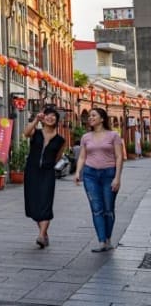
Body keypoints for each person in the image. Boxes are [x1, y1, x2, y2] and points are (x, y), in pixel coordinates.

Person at [74, 107, 124, 253]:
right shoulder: (86, 137)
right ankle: (102, 241)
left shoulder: (113, 135)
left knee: (108, 209)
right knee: (97, 209)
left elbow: (119, 157)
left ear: (102, 119)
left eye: (93, 115)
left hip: (109, 174)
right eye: (89, 116)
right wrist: (78, 172)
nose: (90, 118)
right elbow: (82, 156)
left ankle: (108, 239)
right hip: (90, 175)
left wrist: (117, 177)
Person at [23, 106, 66, 249]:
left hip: (47, 173)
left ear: (57, 120)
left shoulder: (60, 140)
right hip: (32, 172)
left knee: (46, 202)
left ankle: (41, 235)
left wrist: (47, 165)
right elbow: (26, 132)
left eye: (54, 116)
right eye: (48, 115)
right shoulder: (36, 133)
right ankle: (44, 234)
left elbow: (58, 157)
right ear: (44, 117)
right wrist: (36, 119)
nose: (50, 117)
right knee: (34, 204)